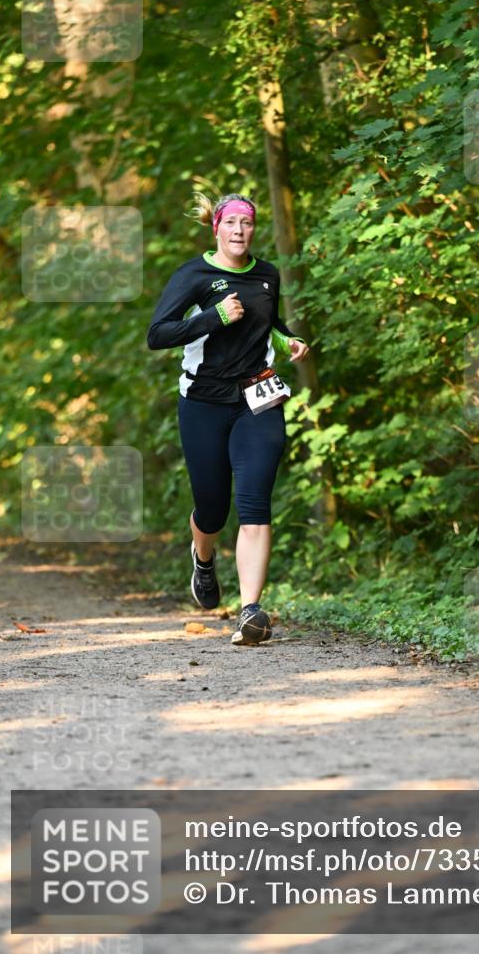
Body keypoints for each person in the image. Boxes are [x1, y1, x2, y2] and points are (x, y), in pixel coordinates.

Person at [146, 192, 309, 646]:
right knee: (213, 509)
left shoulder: (266, 275)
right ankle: (203, 557)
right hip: (203, 401)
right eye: (231, 222)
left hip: (258, 397)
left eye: (247, 223)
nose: (240, 230)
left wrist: (289, 339)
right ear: (215, 226)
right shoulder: (194, 276)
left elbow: (269, 322)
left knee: (255, 502)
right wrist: (213, 317)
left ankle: (251, 611)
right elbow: (158, 334)